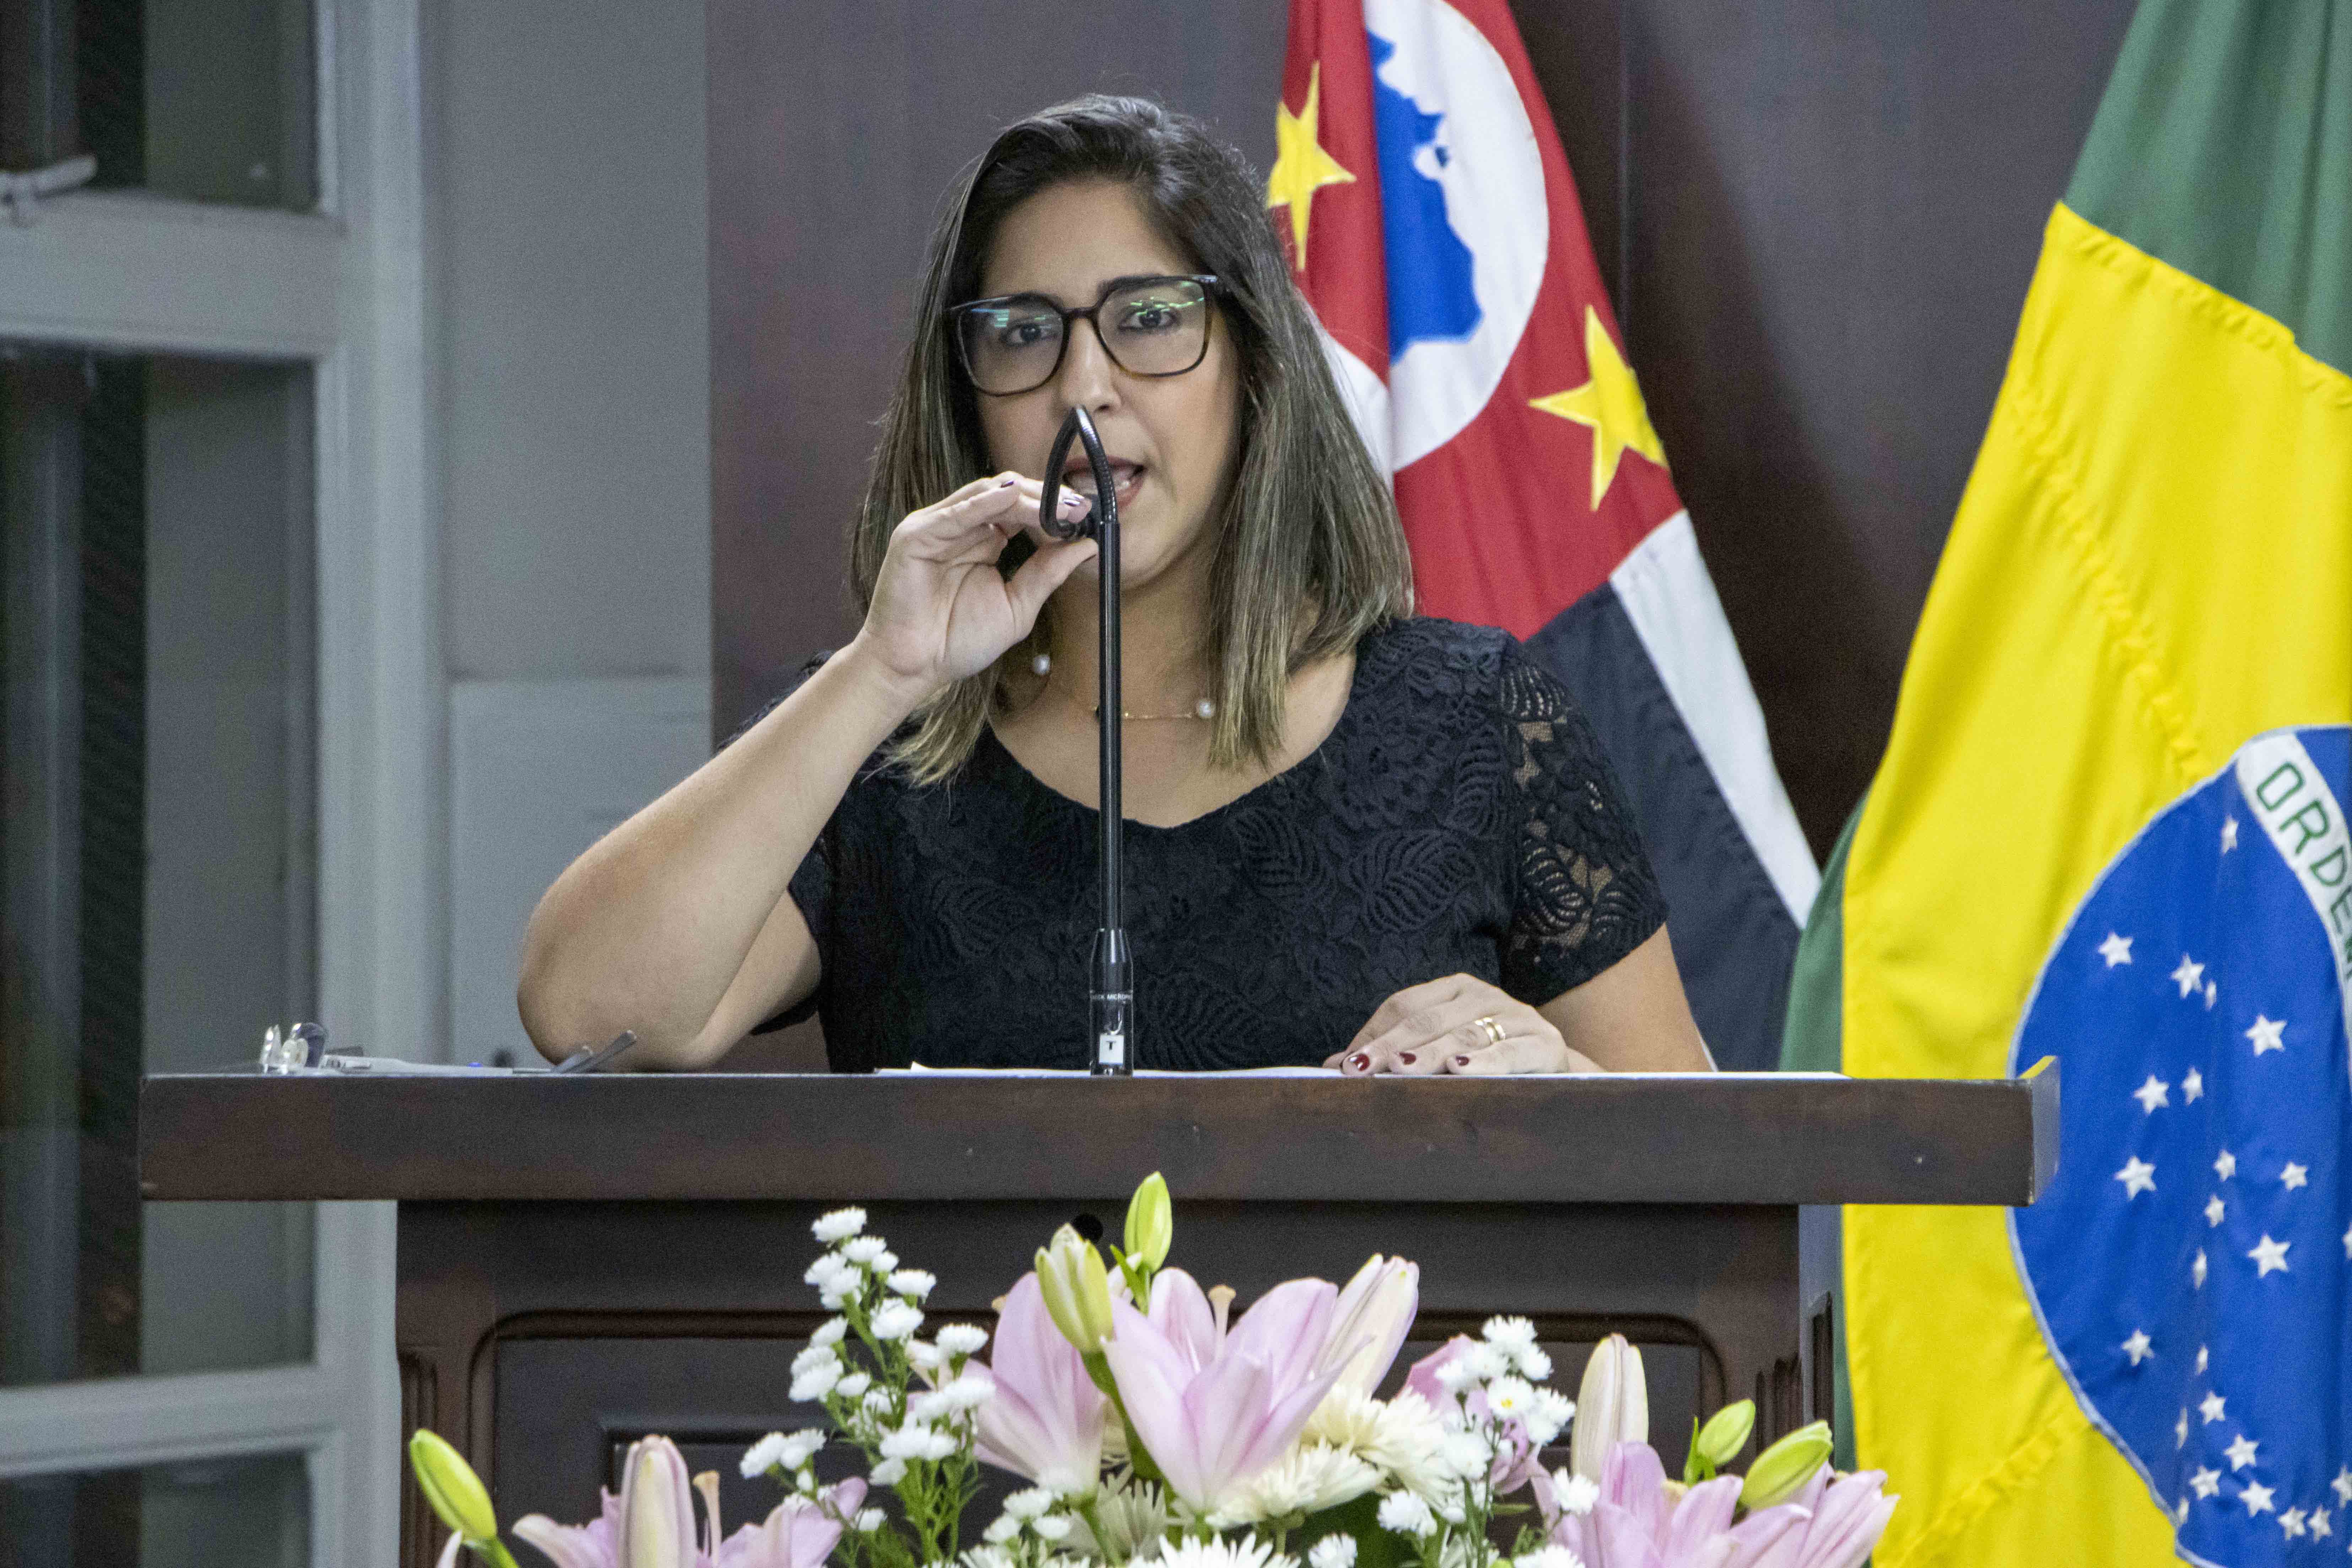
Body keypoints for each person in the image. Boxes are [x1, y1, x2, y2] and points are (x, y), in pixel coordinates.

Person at [518, 96, 1714, 1077]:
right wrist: (883, 675)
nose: (1082, 388)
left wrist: (1555, 1077)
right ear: (969, 391)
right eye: (1024, 334)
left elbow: (1692, 1182)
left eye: (1150, 320)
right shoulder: (884, 752)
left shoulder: (1473, 720)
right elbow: (588, 1013)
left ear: (1254, 370)